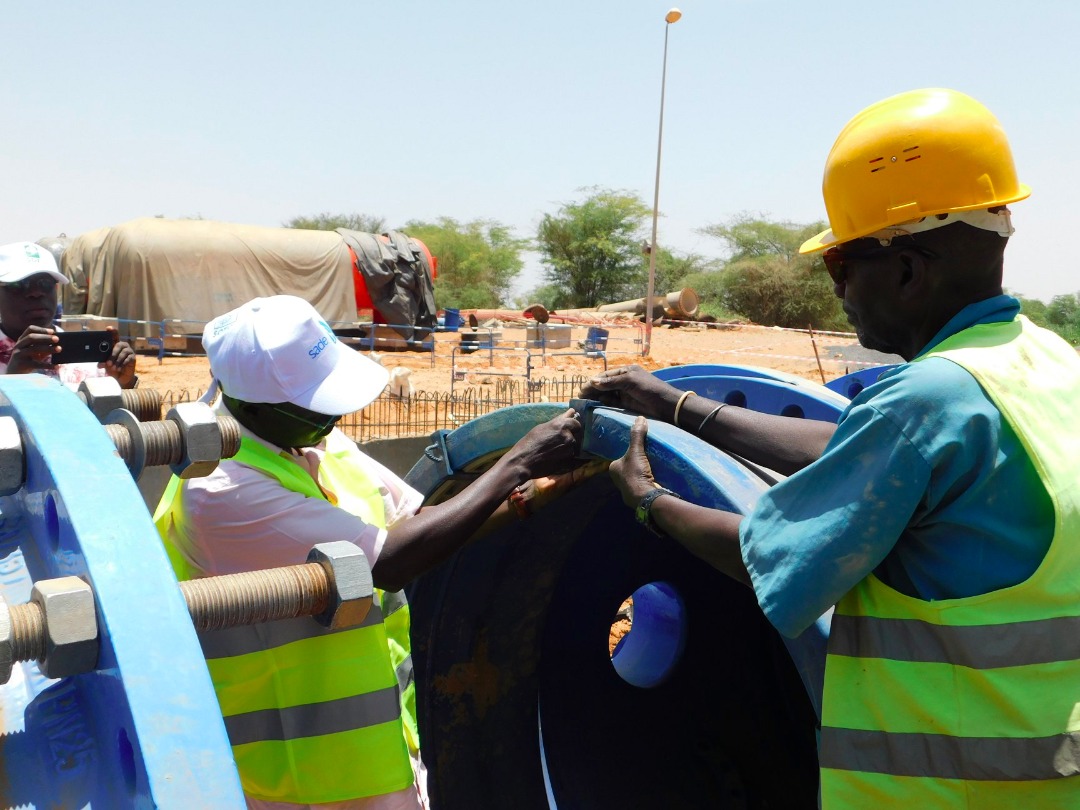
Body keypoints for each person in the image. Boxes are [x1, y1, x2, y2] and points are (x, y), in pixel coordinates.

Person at [584, 88, 1080, 808]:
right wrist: (680, 405)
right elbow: (864, 452)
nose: (839, 290)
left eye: (840, 266)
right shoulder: (1043, 366)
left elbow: (767, 561)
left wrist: (649, 501)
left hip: (941, 791)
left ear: (908, 270)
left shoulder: (927, 400)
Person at [154, 294, 583, 810]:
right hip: (299, 769)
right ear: (251, 404)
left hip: (376, 742)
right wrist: (516, 462)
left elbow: (419, 523)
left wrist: (527, 498)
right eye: (316, 405)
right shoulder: (221, 491)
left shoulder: (305, 437)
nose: (334, 418)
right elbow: (389, 562)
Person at [0, 241, 137, 388]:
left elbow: (106, 409)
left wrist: (123, 384)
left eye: (45, 283)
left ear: (56, 289)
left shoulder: (87, 359)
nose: (36, 292)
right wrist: (11, 380)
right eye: (19, 284)